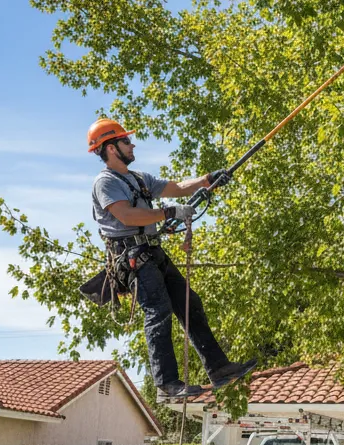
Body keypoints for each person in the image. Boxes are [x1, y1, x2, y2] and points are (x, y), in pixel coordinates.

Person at [87, 118, 255, 399]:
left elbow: (175, 188)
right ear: (111, 148)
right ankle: (166, 385)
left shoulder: (138, 178)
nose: (132, 144)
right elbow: (126, 215)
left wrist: (207, 180)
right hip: (133, 256)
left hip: (151, 251)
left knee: (189, 303)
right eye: (126, 141)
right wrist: (168, 213)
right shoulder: (105, 182)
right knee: (158, 311)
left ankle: (218, 367)